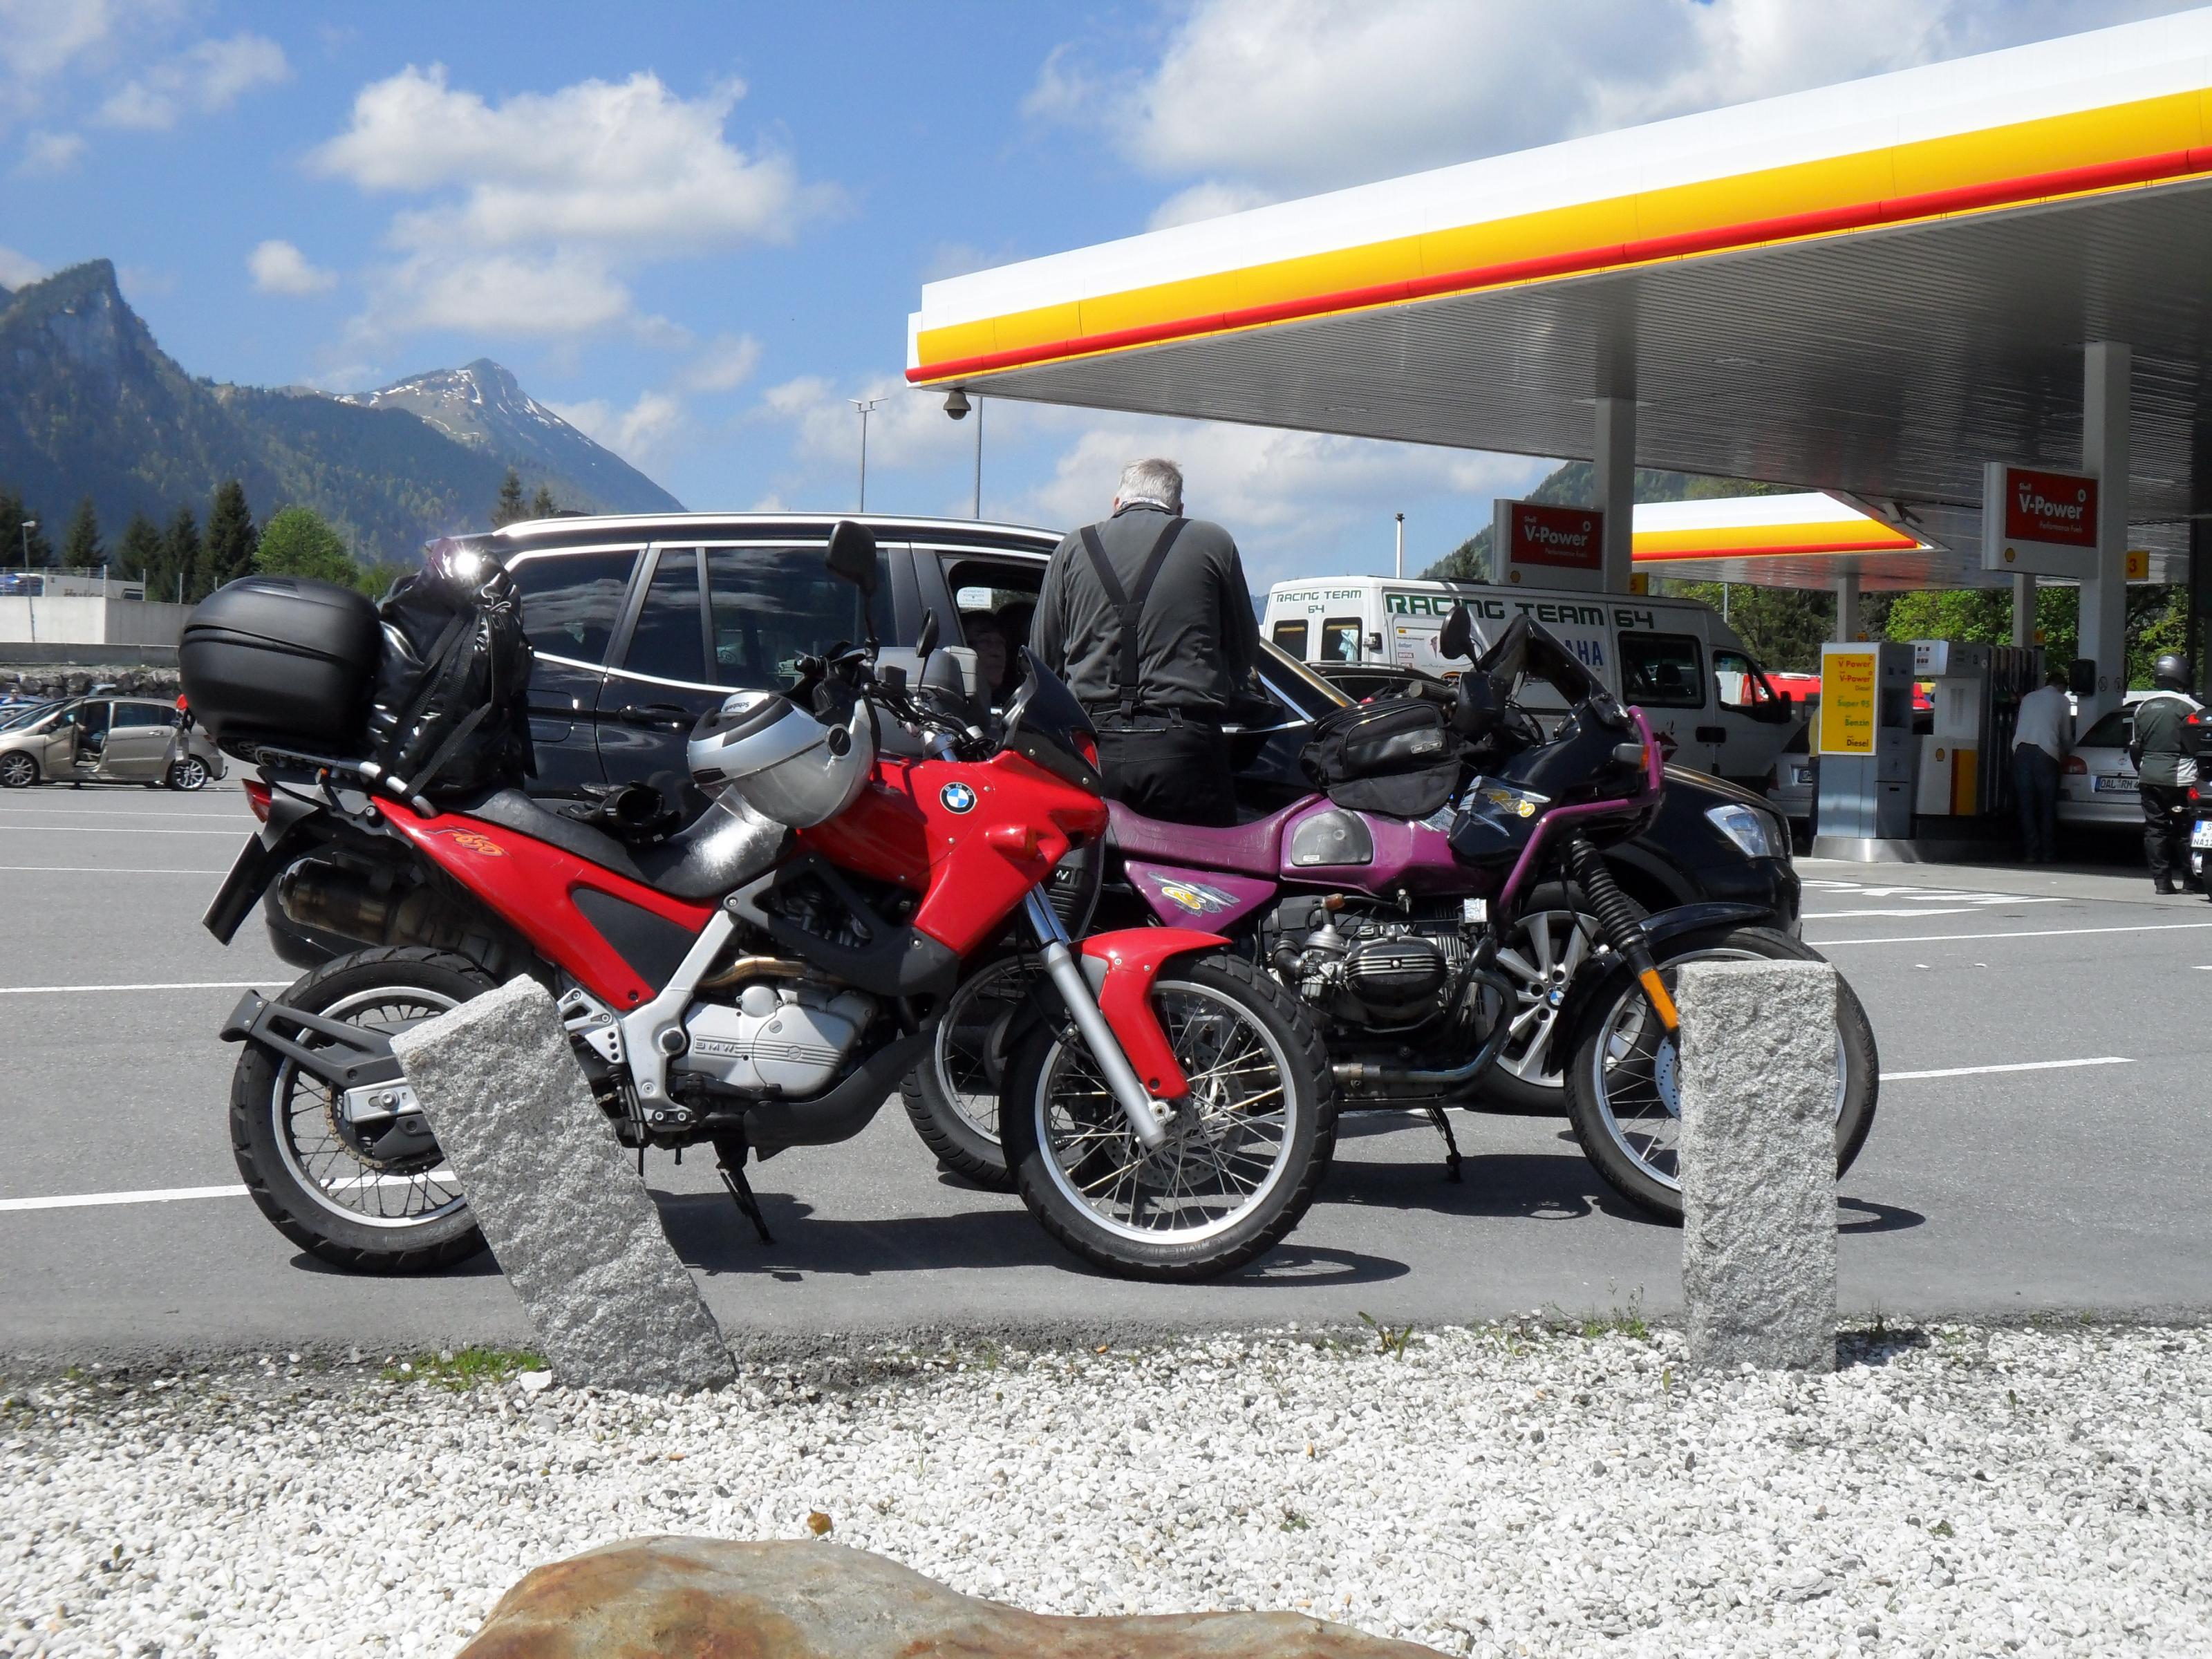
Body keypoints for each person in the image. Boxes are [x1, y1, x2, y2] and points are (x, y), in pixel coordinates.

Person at [1032, 457, 1262, 826]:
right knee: (1197, 860)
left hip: (1092, 748)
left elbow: (1042, 659)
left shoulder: (1073, 547)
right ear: (1179, 509)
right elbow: (1244, 651)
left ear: (1117, 503)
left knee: (1092, 859)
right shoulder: (1213, 541)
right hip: (1184, 751)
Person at [2128, 653, 2202, 894]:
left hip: (2148, 777)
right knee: (2185, 829)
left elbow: (2136, 747)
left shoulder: (2142, 707)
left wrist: (2144, 769)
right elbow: (2200, 745)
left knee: (2155, 829)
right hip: (2181, 778)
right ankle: (2191, 882)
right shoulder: (2192, 707)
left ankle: (2162, 883)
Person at [2010, 668, 2072, 863]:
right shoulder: (2063, 701)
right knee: (2047, 806)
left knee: (2026, 806)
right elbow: (2066, 735)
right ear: (2061, 687)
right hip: (2046, 754)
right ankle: (2048, 854)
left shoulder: (2028, 698)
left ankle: (2031, 852)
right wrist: (2069, 752)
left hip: (2021, 752)